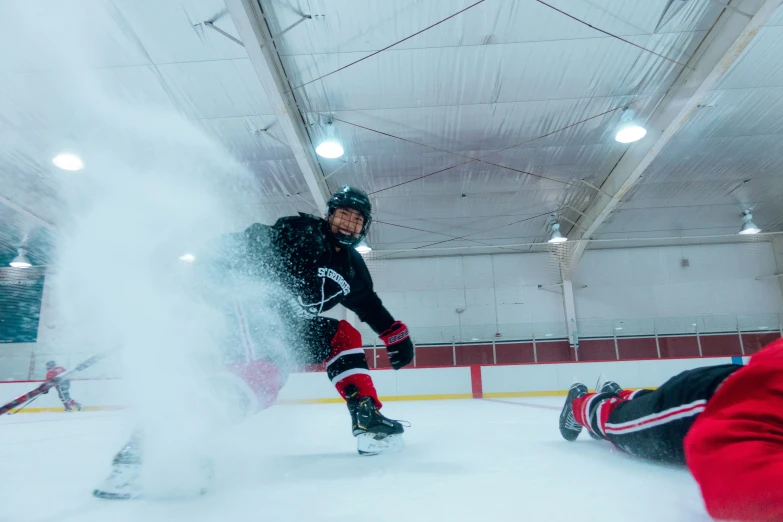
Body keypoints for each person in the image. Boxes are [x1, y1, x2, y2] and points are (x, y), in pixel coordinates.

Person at [94, 185, 415, 499]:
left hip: (287, 325)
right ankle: (152, 446)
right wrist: (200, 273)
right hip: (249, 306)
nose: (348, 223)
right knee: (261, 373)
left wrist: (395, 336)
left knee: (341, 335)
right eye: (343, 215)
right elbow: (246, 242)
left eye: (356, 219)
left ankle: (367, 417)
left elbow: (368, 304)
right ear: (330, 215)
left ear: (363, 227)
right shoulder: (302, 232)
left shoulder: (352, 267)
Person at [559, 338, 783, 521]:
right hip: (702, 402)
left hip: (726, 385)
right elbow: (734, 482)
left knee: (644, 407)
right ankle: (579, 401)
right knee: (615, 422)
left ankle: (620, 394)